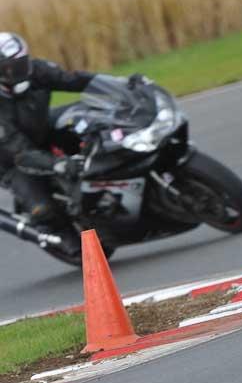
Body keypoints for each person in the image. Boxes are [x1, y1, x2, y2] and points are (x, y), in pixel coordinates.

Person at [0, 32, 141, 254]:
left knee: (89, 119)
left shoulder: (36, 70)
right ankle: (60, 235)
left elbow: (75, 80)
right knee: (43, 210)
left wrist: (122, 84)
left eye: (20, 64)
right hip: (12, 161)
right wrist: (59, 164)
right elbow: (20, 153)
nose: (18, 71)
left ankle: (123, 165)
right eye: (8, 68)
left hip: (42, 131)